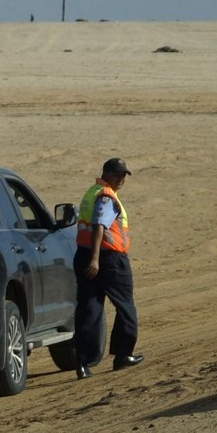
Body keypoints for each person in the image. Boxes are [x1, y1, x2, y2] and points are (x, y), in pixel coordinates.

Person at [73, 157, 144, 379]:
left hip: (84, 255)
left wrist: (90, 258)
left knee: (89, 309)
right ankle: (123, 355)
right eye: (117, 174)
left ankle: (83, 363)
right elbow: (99, 226)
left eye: (124, 175)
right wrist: (95, 259)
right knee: (126, 308)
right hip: (108, 259)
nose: (122, 179)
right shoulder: (106, 197)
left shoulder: (92, 191)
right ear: (106, 173)